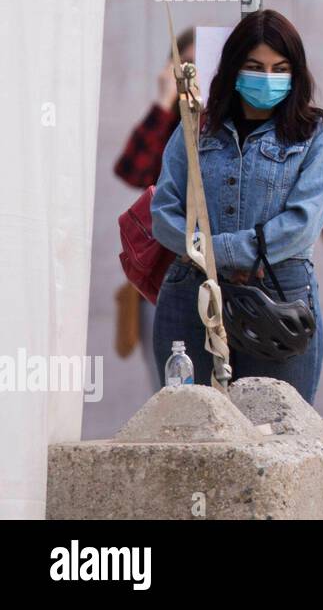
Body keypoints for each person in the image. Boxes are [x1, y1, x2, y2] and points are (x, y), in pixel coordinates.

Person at [151, 10, 323, 402]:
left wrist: (213, 250)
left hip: (278, 295)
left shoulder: (316, 134)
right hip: (192, 293)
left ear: (296, 72)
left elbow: (301, 224)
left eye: (279, 68)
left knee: (275, 433)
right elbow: (164, 211)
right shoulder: (196, 126)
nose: (266, 78)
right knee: (191, 433)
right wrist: (205, 256)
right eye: (254, 66)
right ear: (234, 68)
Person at [114, 27, 196, 388]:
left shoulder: (226, 127)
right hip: (166, 277)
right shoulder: (170, 123)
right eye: (187, 65)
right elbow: (132, 170)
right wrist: (166, 102)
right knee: (171, 390)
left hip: (219, 275)